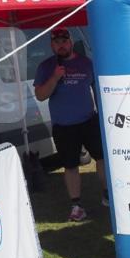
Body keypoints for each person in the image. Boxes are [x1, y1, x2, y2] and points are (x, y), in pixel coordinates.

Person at [33, 27, 107, 222]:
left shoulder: (86, 64)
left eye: (64, 41)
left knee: (102, 158)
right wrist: (55, 77)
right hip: (63, 125)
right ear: (52, 45)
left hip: (88, 120)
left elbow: (97, 91)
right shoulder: (46, 67)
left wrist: (103, 116)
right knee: (70, 165)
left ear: (71, 42)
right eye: (57, 42)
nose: (61, 45)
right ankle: (76, 205)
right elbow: (41, 95)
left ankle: (108, 194)